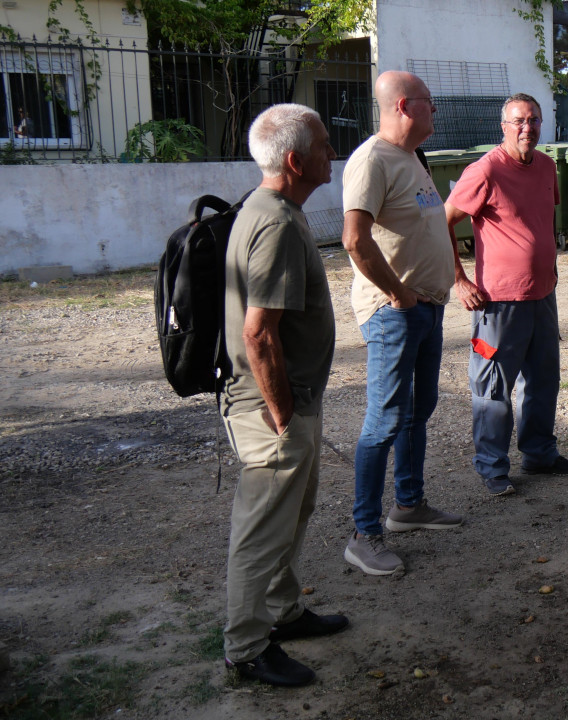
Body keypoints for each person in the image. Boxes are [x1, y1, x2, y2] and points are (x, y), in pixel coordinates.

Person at [221, 103, 346, 687]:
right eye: (323, 145)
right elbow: (258, 331)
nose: (332, 152)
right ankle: (246, 649)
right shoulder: (274, 222)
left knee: (291, 514)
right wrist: (281, 413)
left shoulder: (277, 210)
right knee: (263, 527)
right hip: (272, 408)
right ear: (296, 160)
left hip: (289, 401)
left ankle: (283, 613)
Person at [341, 71, 463, 576]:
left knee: (419, 410)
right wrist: (397, 293)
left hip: (425, 307)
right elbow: (354, 238)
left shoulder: (411, 156)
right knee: (384, 420)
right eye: (431, 104)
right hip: (395, 313)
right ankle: (363, 533)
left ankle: (408, 506)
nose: (437, 112)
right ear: (406, 106)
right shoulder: (371, 160)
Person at [444, 93, 568, 497]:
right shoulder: (484, 170)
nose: (527, 128)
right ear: (503, 127)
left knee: (544, 379)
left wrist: (550, 266)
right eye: (518, 121)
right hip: (498, 301)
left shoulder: (546, 166)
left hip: (542, 295)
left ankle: (539, 453)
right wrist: (459, 279)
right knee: (493, 387)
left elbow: (544, 219)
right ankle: (492, 467)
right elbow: (443, 223)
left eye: (534, 120)